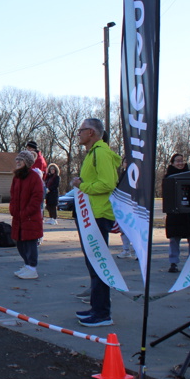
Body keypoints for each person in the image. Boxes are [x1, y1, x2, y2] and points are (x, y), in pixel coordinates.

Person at [71, 118, 121, 327]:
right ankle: (96, 307)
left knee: (98, 264)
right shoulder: (93, 153)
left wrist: (82, 185)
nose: (79, 134)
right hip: (89, 215)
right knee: (93, 264)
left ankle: (102, 313)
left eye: (81, 130)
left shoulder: (100, 152)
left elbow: (107, 183)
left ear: (91, 132)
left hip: (97, 216)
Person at [9, 150, 44, 279]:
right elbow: (13, 195)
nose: (17, 161)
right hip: (18, 217)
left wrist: (26, 212)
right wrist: (13, 209)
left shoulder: (34, 177)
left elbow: (37, 197)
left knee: (30, 243)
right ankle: (27, 265)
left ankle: (32, 268)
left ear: (27, 162)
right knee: (20, 243)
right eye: (17, 159)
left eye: (21, 160)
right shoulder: (17, 177)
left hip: (30, 217)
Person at [163, 153, 190, 273]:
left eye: (182, 160)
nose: (180, 163)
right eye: (177, 161)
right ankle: (173, 262)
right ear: (172, 163)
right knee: (174, 238)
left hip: (188, 212)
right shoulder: (168, 178)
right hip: (174, 213)